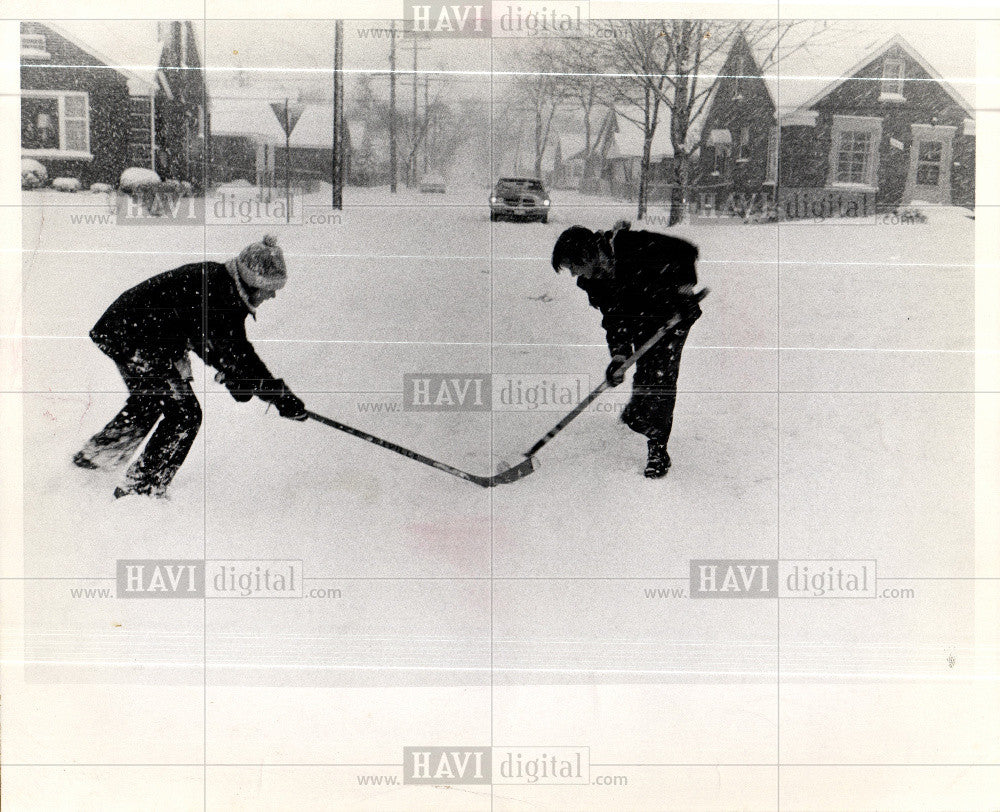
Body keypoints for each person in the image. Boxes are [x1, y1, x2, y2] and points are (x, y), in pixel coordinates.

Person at [74, 234, 307, 498]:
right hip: (133, 336)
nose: (273, 295)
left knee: (150, 402)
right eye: (270, 287)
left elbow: (211, 345)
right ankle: (142, 488)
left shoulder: (222, 286)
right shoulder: (220, 293)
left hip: (130, 331)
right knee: (184, 415)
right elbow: (236, 352)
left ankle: (94, 461)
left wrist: (237, 376)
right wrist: (277, 395)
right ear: (253, 282)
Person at [551, 221, 704, 478]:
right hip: (641, 319)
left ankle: (658, 450)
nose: (574, 274)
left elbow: (685, 251)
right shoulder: (593, 283)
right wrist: (619, 355)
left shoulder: (631, 244)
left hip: (672, 313)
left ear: (587, 254)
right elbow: (614, 319)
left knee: (660, 376)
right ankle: (637, 413)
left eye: (574, 266)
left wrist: (685, 290)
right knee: (646, 374)